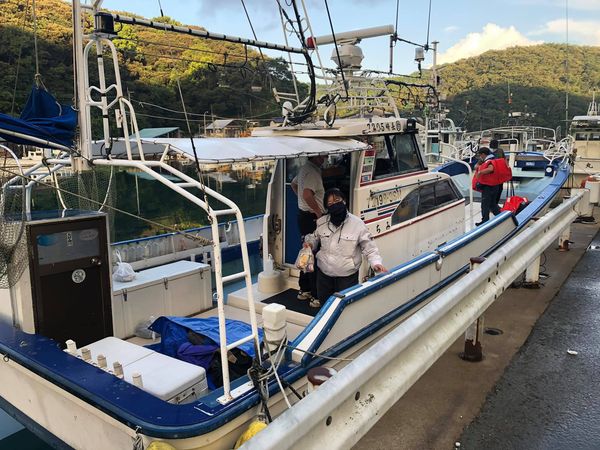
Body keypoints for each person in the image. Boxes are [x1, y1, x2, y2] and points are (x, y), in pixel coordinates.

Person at [304, 188, 387, 308]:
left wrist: (376, 263)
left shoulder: (357, 224)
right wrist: (309, 244)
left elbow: (369, 247)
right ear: (327, 207)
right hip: (324, 277)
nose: (335, 205)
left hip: (347, 278)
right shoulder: (321, 222)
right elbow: (314, 238)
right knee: (325, 307)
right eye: (330, 204)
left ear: (344, 201)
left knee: (347, 308)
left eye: (337, 200)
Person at [291, 155, 326, 302]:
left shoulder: (304, 168)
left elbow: (294, 185)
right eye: (324, 155)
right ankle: (315, 295)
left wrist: (303, 204)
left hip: (303, 216)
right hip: (312, 219)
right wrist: (318, 211)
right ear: (316, 156)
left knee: (306, 254)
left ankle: (304, 289)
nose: (326, 157)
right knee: (315, 256)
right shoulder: (312, 172)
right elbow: (306, 194)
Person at [473, 148, 502, 225]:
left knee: (485, 204)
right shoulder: (494, 158)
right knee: (492, 204)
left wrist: (480, 172)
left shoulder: (489, 161)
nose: (480, 157)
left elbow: (490, 169)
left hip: (488, 186)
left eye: (480, 155)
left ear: (483, 154)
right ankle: (501, 217)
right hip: (495, 184)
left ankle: (485, 221)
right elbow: (476, 166)